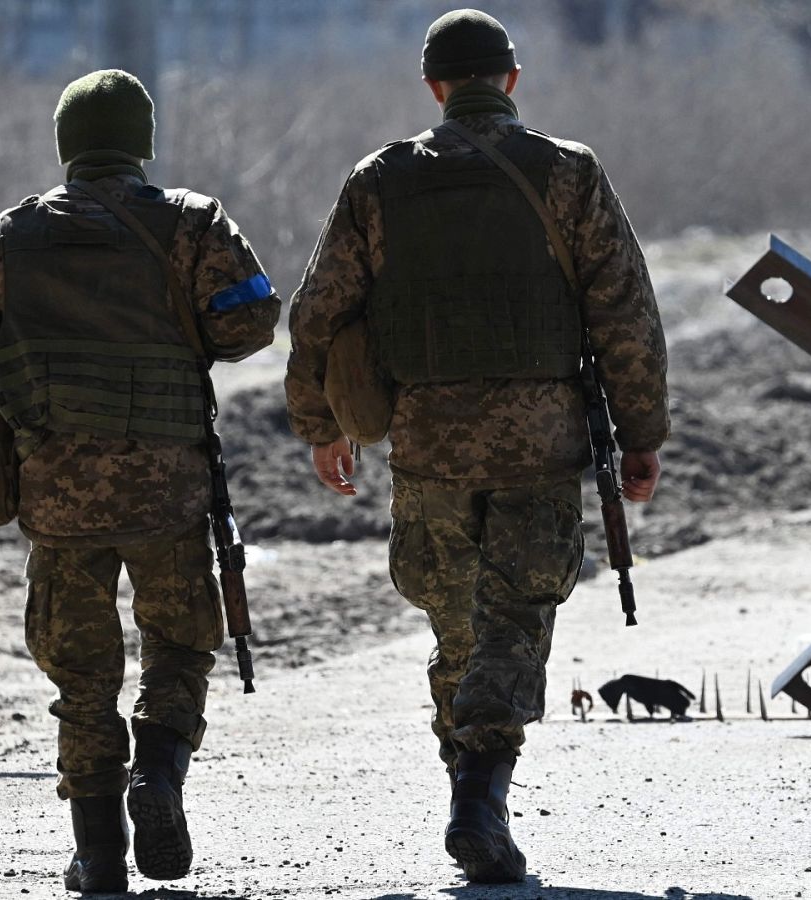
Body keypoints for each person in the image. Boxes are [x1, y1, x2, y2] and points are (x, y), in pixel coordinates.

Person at [283, 9, 669, 884]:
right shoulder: (568, 173)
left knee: (457, 620)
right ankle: (481, 797)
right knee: (515, 616)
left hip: (427, 441)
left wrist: (321, 426)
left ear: (434, 87)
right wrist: (641, 432)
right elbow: (625, 313)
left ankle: (469, 787)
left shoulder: (379, 181)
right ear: (511, 80)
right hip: (540, 438)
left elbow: (318, 317)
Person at [0, 69, 279, 894]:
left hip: (57, 492)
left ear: (67, 145)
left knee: (82, 678)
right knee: (180, 644)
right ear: (140, 143)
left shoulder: (4, 237)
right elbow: (252, 322)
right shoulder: (193, 222)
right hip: (168, 488)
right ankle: (157, 772)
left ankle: (97, 855)